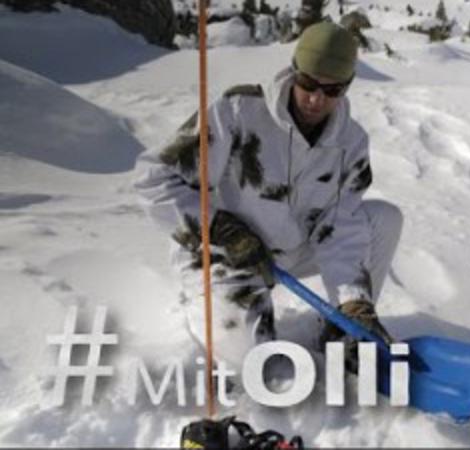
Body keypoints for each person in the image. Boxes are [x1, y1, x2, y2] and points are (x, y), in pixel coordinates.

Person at [134, 22, 403, 372]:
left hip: (286, 254)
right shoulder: (237, 112)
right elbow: (153, 178)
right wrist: (221, 231)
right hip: (221, 257)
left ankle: (343, 330)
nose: (315, 99)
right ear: (294, 72)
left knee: (383, 219)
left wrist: (354, 301)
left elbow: (339, 226)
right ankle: (216, 310)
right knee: (255, 367)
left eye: (331, 90)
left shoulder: (349, 143)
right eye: (307, 83)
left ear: (347, 87)